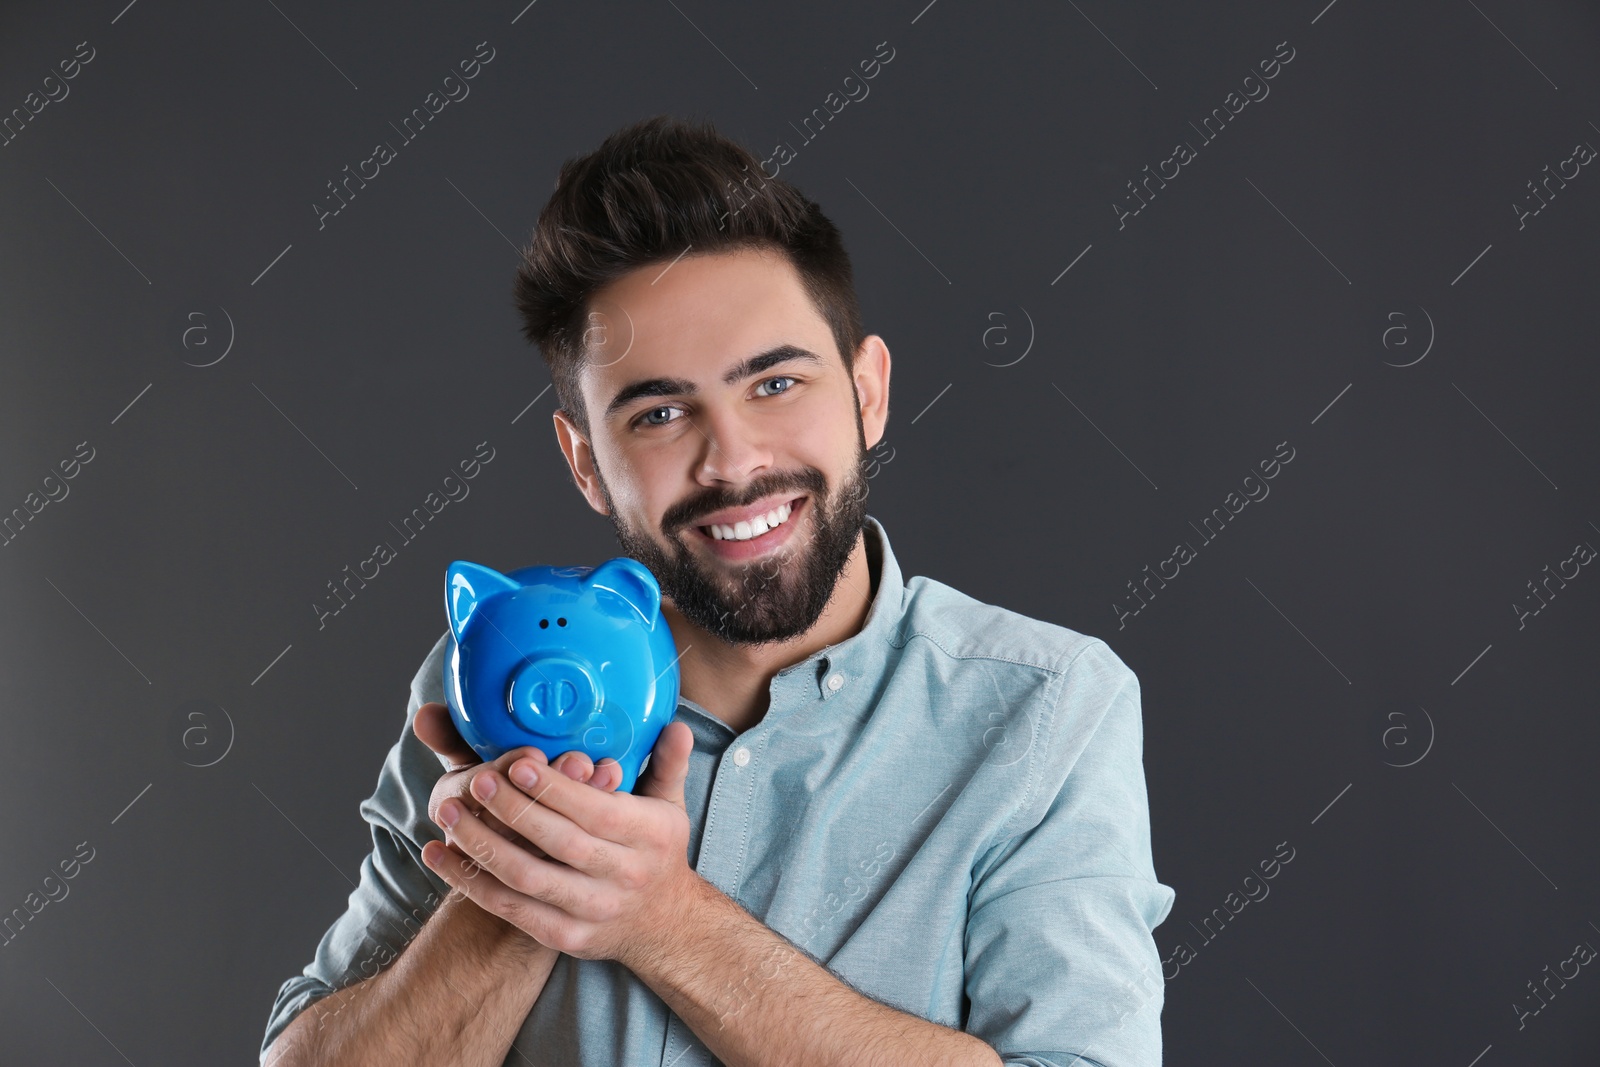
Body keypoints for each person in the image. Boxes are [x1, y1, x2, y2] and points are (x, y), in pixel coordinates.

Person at [260, 113, 1175, 1067]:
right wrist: (525, 866)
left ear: (867, 392)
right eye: (659, 412)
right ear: (584, 463)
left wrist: (662, 919)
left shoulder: (1046, 710)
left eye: (775, 385)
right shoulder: (483, 675)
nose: (733, 461)